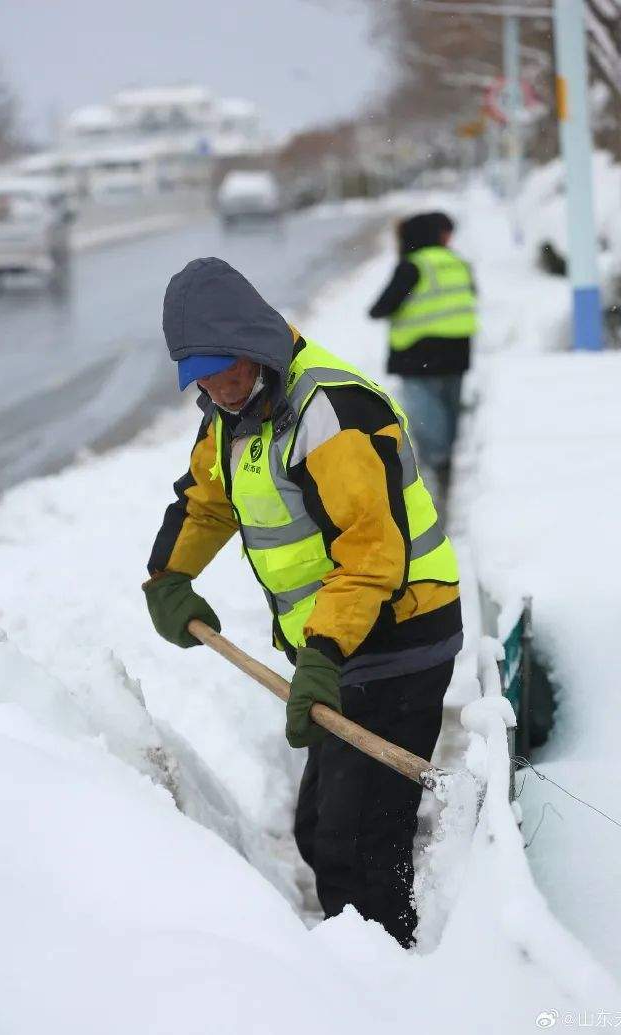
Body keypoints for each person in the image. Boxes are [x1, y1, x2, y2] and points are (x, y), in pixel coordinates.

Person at [143, 257, 463, 948]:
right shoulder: (230, 415)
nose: (216, 387)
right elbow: (204, 503)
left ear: (254, 345)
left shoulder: (332, 412)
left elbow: (375, 551)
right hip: (343, 646)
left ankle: (391, 975)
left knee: (358, 843)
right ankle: (369, 960)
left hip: (398, 638)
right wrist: (167, 577)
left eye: (224, 368)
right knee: (321, 829)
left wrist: (322, 653)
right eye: (199, 375)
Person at [368, 211, 477, 483]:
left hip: (418, 356)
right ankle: (448, 461)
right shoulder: (458, 263)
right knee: (449, 408)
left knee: (427, 415)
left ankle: (439, 466)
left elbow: (381, 308)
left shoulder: (413, 266)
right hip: (458, 350)